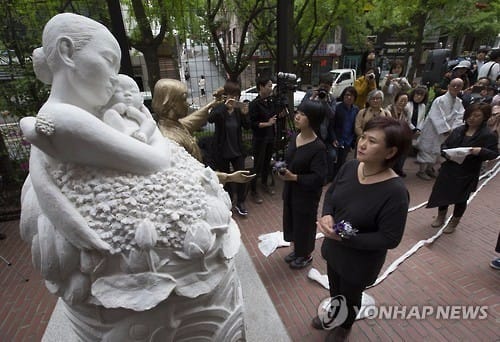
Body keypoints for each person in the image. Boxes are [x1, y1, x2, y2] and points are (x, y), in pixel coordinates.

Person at [313, 116, 412, 341]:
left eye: (372, 141)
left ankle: (344, 325)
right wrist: (327, 214)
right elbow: (331, 194)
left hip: (359, 261)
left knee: (350, 295)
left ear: (390, 152)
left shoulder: (395, 192)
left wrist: (346, 240)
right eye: (363, 137)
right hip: (335, 250)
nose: (362, 144)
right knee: (335, 287)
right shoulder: (350, 167)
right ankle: (335, 314)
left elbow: (390, 238)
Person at [426, 103, 498, 233]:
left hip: (467, 172)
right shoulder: (459, 130)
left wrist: (480, 151)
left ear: (484, 117)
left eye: (477, 116)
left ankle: (454, 221)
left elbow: (494, 153)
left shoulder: (488, 135)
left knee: (461, 198)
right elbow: (445, 145)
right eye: (470, 115)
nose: (472, 118)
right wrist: (445, 152)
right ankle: (441, 216)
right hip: (450, 168)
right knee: (443, 193)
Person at [279, 100, 327, 269]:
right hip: (291, 191)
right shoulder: (295, 137)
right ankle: (298, 250)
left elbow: (319, 178)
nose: (297, 116)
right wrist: (282, 168)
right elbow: (290, 160)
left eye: (303, 114)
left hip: (306, 196)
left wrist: (295, 178)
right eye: (297, 112)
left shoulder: (318, 148)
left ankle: (305, 254)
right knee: (292, 222)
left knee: (304, 225)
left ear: (313, 120)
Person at [208, 81, 251, 216]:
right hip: (222, 151)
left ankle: (240, 202)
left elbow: (247, 127)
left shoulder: (238, 111)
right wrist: (224, 107)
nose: (234, 98)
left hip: (237, 150)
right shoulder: (219, 108)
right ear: (226, 95)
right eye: (231, 94)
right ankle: (229, 199)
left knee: (242, 175)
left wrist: (245, 114)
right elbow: (210, 119)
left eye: (236, 95)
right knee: (226, 177)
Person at [416, 78, 465, 180]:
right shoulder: (439, 100)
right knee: (427, 149)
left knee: (437, 151)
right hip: (433, 129)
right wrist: (445, 128)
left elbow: (460, 117)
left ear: (461, 88)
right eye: (453, 85)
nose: (455, 88)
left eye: (458, 86)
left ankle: (430, 168)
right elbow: (436, 115)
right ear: (448, 86)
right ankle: (421, 171)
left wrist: (453, 129)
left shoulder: (459, 102)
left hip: (447, 132)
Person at [249, 76, 282, 203]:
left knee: (267, 162)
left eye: (271, 85)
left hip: (270, 137)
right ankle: (253, 191)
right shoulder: (254, 104)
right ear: (261, 87)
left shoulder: (271, 102)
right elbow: (252, 124)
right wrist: (267, 124)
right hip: (260, 139)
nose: (271, 88)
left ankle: (264, 184)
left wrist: (279, 115)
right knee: (257, 165)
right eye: (268, 85)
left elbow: (274, 117)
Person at [302, 72, 337, 182]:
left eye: (327, 87)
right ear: (319, 85)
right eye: (322, 87)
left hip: (322, 133)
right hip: (309, 130)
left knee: (322, 156)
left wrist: (325, 102)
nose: (324, 90)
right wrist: (313, 98)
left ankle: (321, 177)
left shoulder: (331, 98)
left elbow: (332, 115)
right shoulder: (310, 94)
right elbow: (302, 108)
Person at [102, 74, 156, 143]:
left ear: (141, 98)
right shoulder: (109, 110)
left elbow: (147, 120)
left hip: (140, 132)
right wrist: (115, 109)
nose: (128, 94)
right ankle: (127, 133)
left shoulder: (141, 109)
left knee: (151, 122)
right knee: (109, 113)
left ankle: (143, 135)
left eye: (133, 91)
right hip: (122, 133)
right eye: (118, 91)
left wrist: (136, 114)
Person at [331, 87, 359, 179]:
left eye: (352, 95)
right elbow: (331, 125)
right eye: (347, 95)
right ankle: (332, 177)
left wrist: (353, 140)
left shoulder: (356, 109)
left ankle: (338, 178)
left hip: (348, 140)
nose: (349, 97)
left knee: (342, 160)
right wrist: (333, 138)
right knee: (334, 158)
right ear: (343, 96)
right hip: (337, 138)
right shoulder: (337, 108)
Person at [386, 91, 410, 176]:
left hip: (401, 135)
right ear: (396, 100)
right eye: (401, 100)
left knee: (405, 147)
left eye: (405, 101)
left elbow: (408, 123)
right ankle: (388, 170)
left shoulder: (406, 111)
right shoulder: (389, 110)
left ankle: (398, 169)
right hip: (390, 135)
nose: (403, 103)